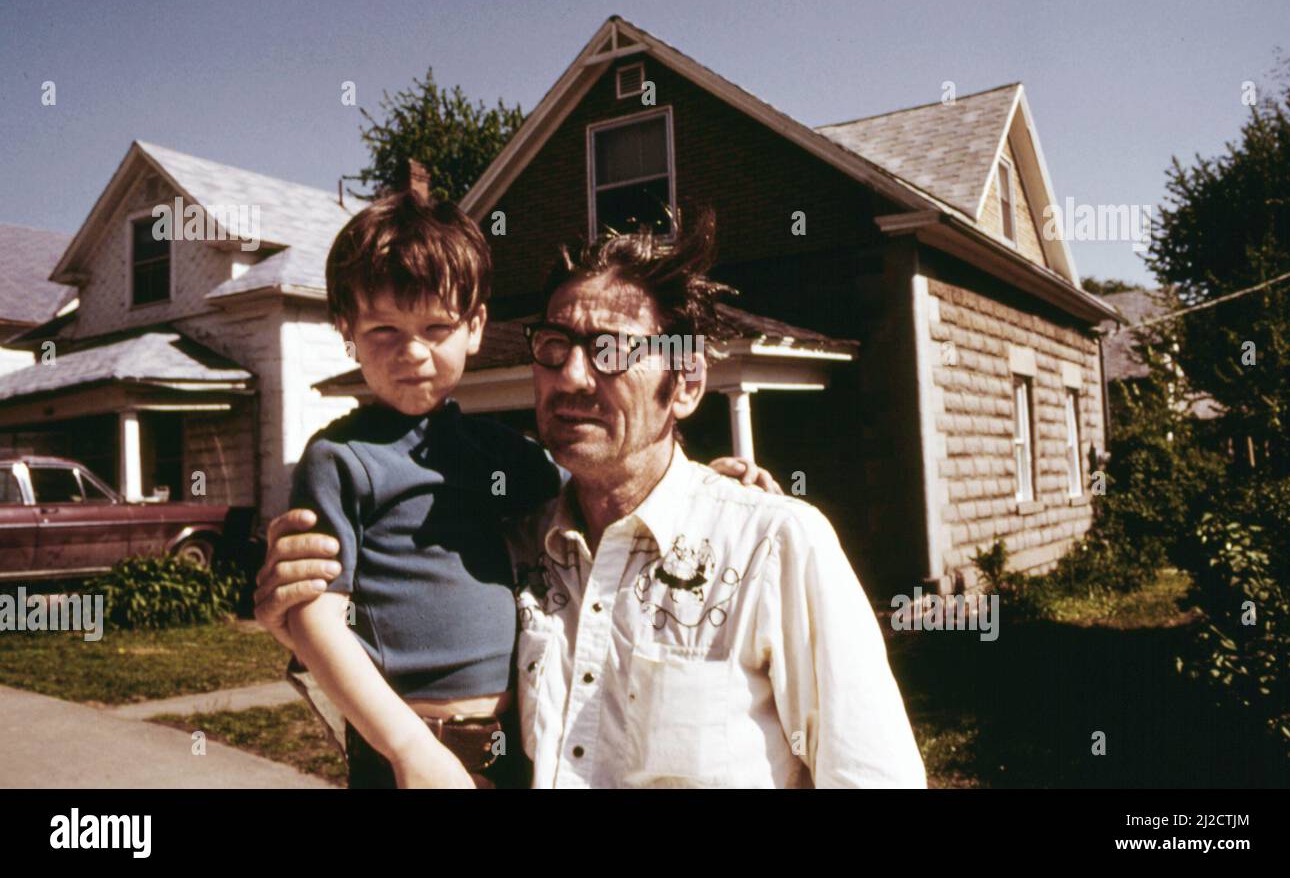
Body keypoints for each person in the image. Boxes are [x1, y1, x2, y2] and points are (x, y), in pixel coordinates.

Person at [259, 209, 925, 787]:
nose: (573, 377)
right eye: (554, 347)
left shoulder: (774, 547)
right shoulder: (521, 539)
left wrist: (730, 498)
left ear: (686, 385)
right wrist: (293, 612)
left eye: (610, 351)